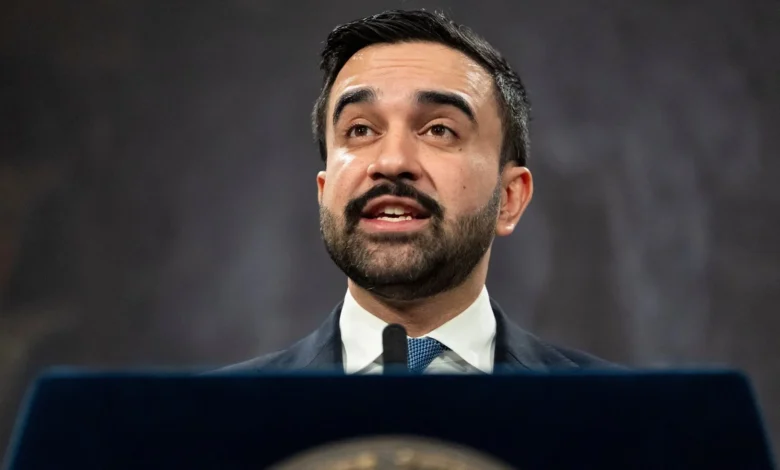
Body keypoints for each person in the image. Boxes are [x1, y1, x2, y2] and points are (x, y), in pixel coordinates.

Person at [224, 9, 613, 374]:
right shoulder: (215, 412)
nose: (392, 161)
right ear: (324, 191)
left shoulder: (618, 411)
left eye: (439, 130)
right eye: (360, 130)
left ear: (509, 198)